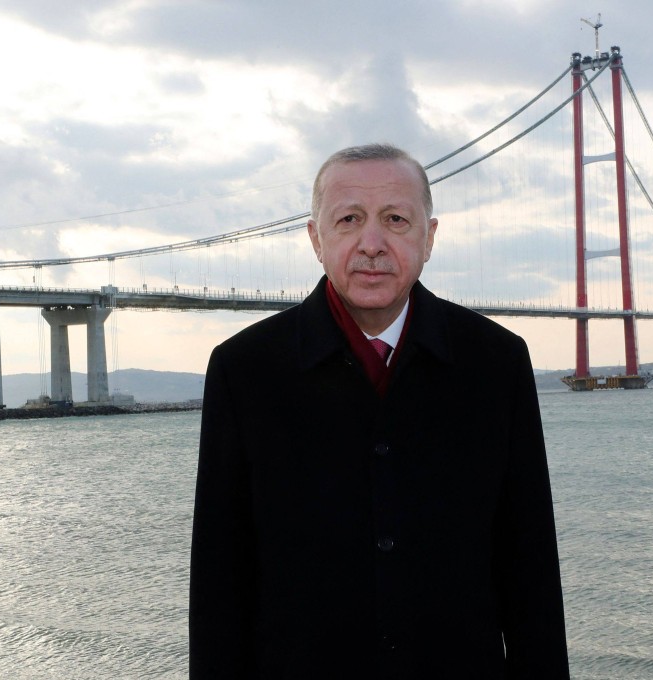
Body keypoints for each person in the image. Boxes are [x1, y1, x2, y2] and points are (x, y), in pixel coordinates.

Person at [190, 143, 569, 679]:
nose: (372, 244)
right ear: (316, 239)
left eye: (395, 219)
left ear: (429, 237)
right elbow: (219, 583)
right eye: (348, 220)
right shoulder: (244, 370)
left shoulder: (497, 362)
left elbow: (529, 570)